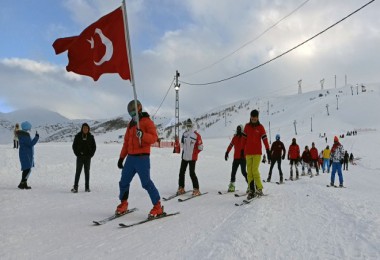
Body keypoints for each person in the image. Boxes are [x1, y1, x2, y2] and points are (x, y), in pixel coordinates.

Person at [116, 100, 164, 217]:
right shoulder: (131, 124)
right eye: (130, 111)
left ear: (139, 108)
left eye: (133, 110)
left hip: (142, 158)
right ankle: (123, 203)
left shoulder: (147, 122)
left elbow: (153, 138)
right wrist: (122, 157)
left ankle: (157, 206)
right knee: (123, 182)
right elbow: (126, 142)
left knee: (146, 183)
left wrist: (143, 135)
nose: (132, 112)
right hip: (131, 159)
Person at [241, 109, 270, 199]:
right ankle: (251, 190)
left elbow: (264, 139)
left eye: (255, 118)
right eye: (252, 118)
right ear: (250, 117)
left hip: (257, 153)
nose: (253, 119)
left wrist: (268, 150)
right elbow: (243, 139)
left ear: (257, 117)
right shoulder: (247, 126)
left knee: (254, 170)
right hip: (248, 153)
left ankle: (259, 188)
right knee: (249, 172)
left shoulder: (260, 127)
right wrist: (242, 149)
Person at [177, 118, 204, 196]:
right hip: (184, 157)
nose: (188, 126)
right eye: (187, 124)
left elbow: (200, 147)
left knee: (192, 173)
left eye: (190, 124)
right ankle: (181, 188)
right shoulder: (184, 134)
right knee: (181, 172)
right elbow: (182, 144)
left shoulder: (197, 135)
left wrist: (195, 153)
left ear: (193, 125)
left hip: (192, 158)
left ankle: (196, 189)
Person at [71, 123, 96, 193]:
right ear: (82, 129)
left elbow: (94, 147)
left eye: (87, 128)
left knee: (87, 172)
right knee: (78, 172)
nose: (85, 129)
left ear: (88, 129)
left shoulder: (91, 137)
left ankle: (87, 187)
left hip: (88, 158)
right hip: (80, 157)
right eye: (84, 128)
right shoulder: (78, 136)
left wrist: (91, 155)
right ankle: (75, 187)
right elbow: (74, 146)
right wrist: (77, 154)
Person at [16, 121, 39, 189]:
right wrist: (36, 137)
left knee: (27, 169)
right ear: (27, 127)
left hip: (26, 153)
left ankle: (23, 183)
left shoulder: (24, 134)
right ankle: (22, 183)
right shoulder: (25, 135)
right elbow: (30, 144)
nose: (30, 128)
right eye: (29, 127)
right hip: (25, 154)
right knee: (27, 169)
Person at [225, 125, 248, 192]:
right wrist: (227, 152)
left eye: (239, 129)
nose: (238, 130)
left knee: (243, 172)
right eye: (237, 129)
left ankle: (250, 186)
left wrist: (244, 152)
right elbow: (231, 145)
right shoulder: (235, 137)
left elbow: (247, 146)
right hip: (236, 158)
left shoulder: (244, 137)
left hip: (243, 158)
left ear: (242, 130)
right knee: (233, 172)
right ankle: (232, 186)